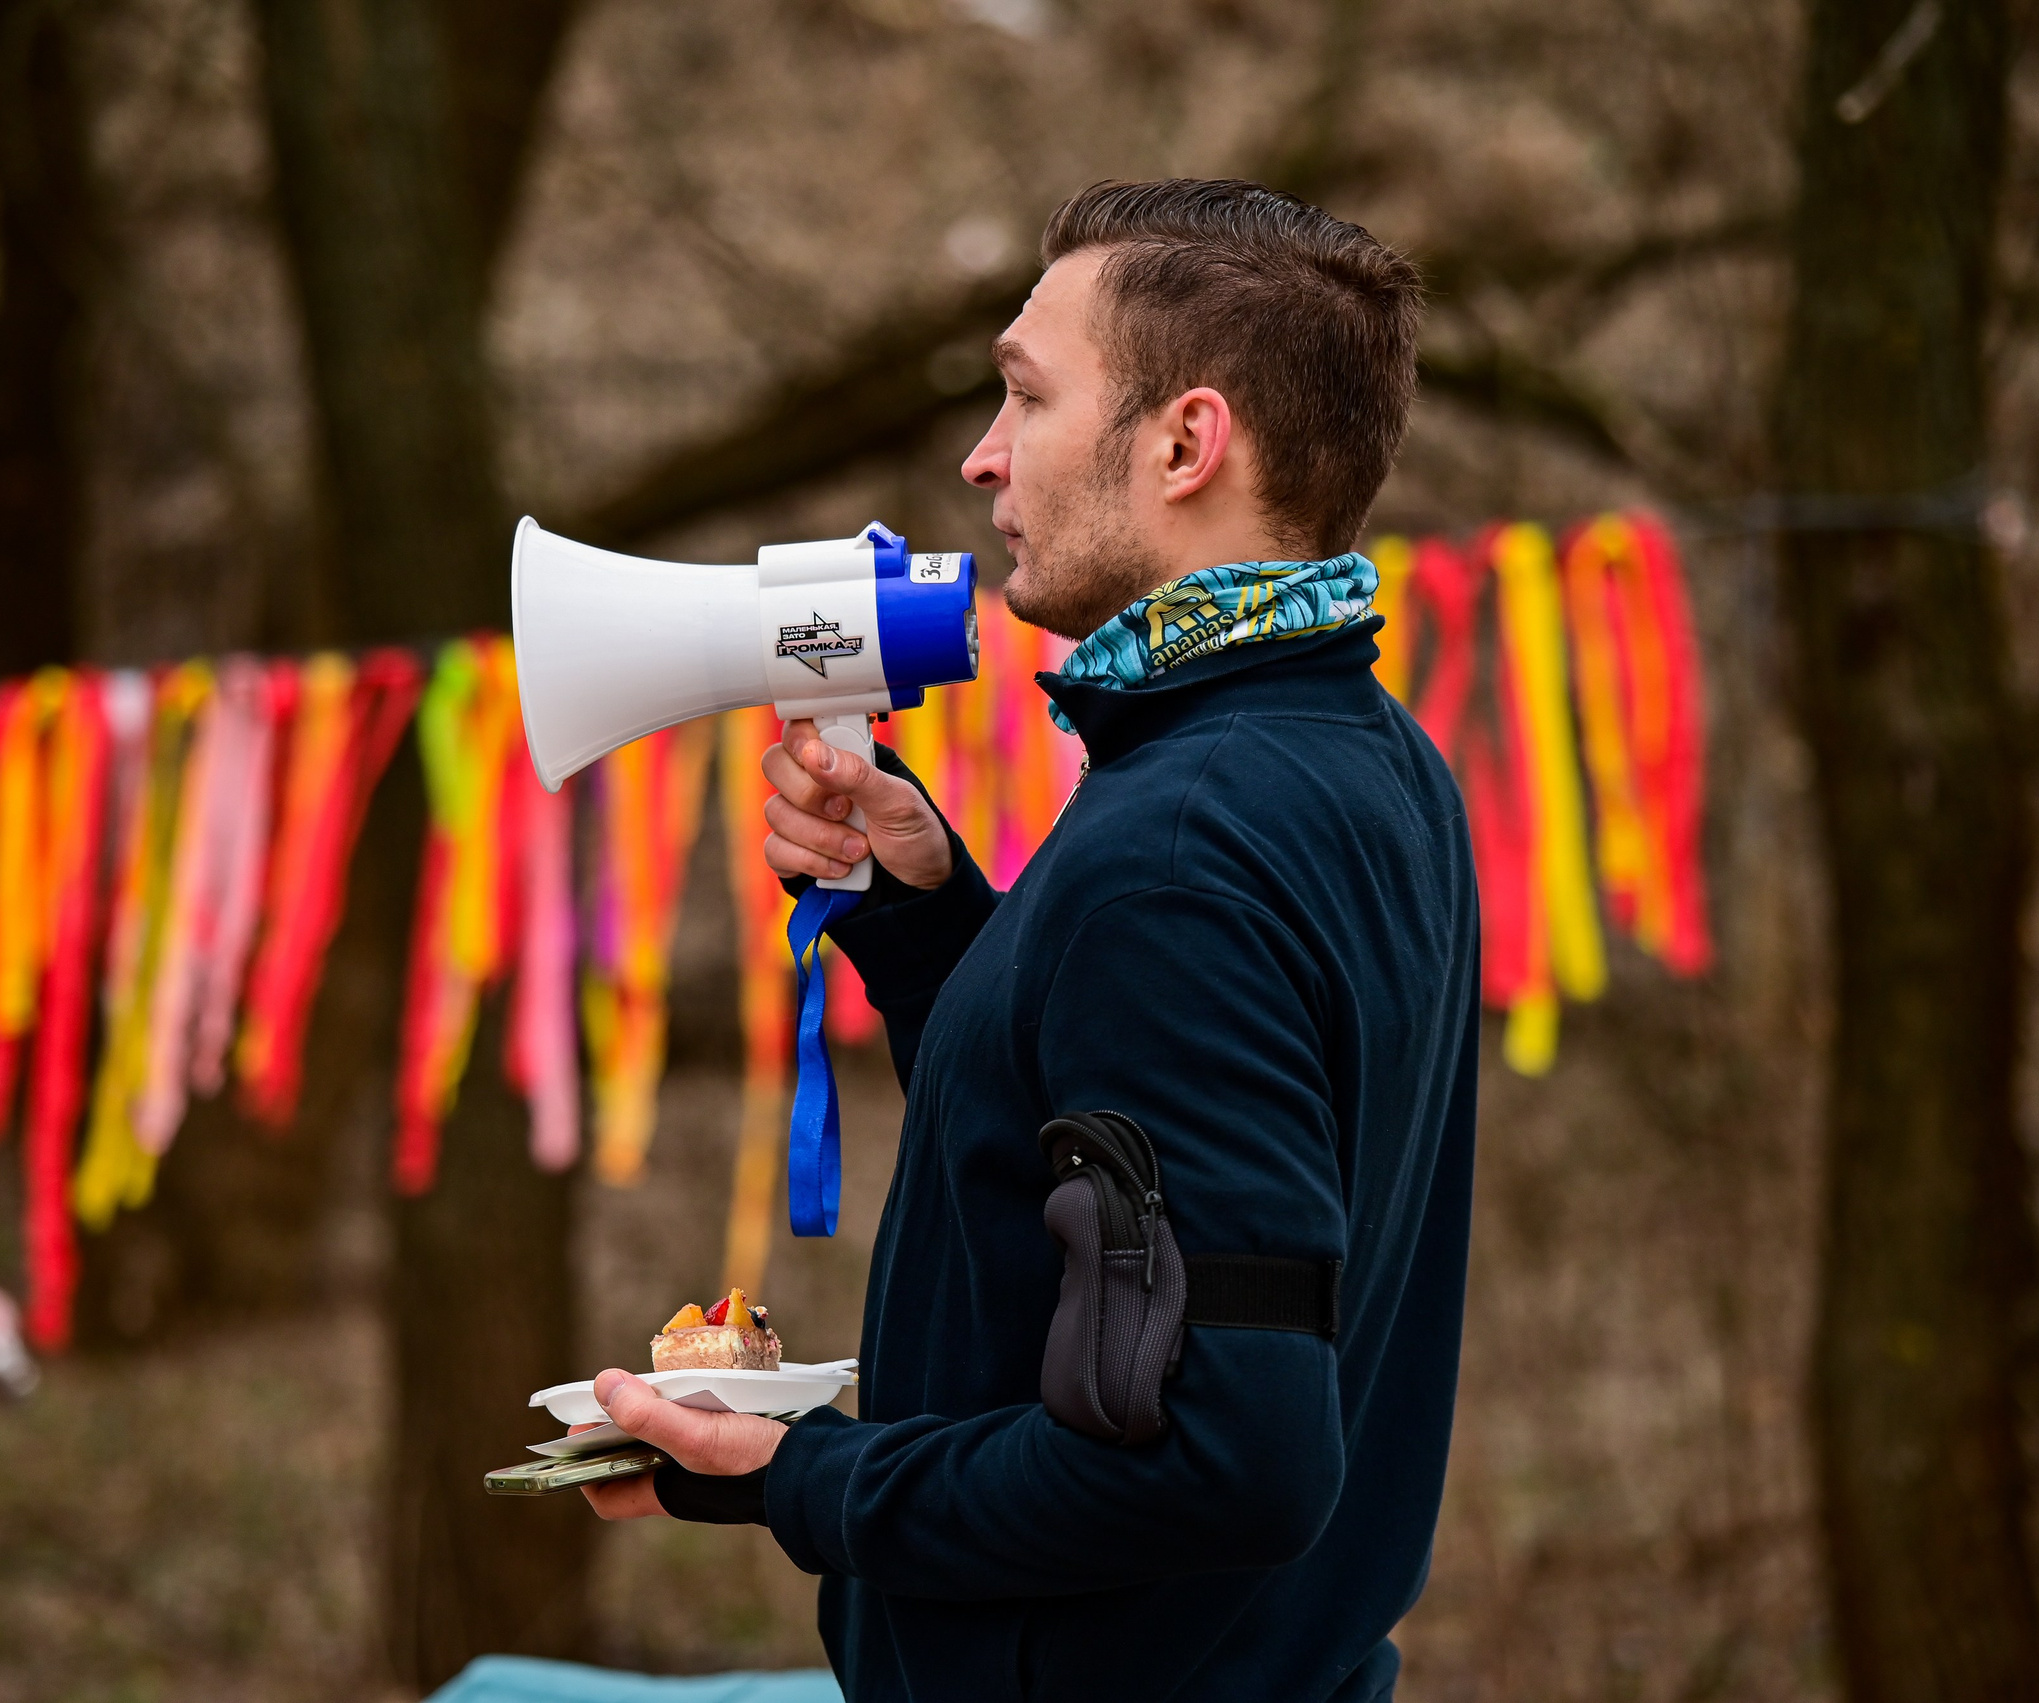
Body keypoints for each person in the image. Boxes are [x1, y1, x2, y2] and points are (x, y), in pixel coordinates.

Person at [580, 178, 1476, 1703]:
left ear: (1187, 442)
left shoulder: (1174, 850)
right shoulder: (1364, 756)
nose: (980, 456)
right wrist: (934, 933)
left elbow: (1232, 1461)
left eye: (1023, 395)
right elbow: (1107, 1188)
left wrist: (800, 1478)